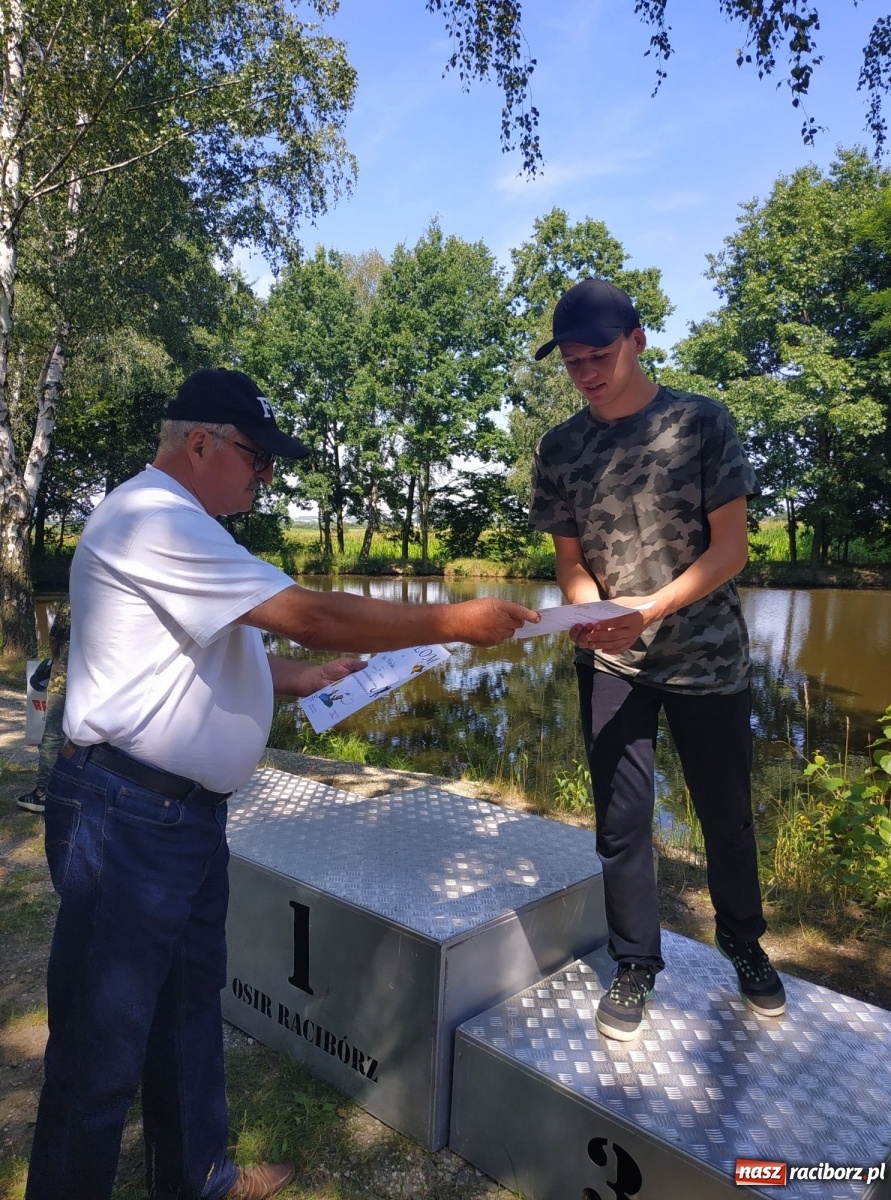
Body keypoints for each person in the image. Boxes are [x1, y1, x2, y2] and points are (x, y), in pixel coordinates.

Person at [26, 367, 538, 1200]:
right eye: (258, 459)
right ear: (201, 443)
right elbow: (311, 611)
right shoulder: (153, 518)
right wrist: (455, 621)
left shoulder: (189, 527)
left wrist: (305, 678)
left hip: (180, 820)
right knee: (99, 1049)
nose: (268, 478)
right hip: (125, 820)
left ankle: (199, 1180)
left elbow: (204, 649)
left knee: (190, 1012)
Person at [528, 279, 784, 1043]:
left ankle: (742, 939)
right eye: (572, 363)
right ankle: (636, 961)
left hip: (707, 660)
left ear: (638, 340)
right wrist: (585, 607)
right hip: (612, 664)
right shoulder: (559, 447)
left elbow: (731, 549)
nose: (586, 373)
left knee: (726, 819)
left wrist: (647, 610)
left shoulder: (701, 422)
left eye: (598, 356)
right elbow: (569, 561)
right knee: (622, 822)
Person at [17, 597, 71, 815]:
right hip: (96, 678)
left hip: (65, 678)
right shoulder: (106, 594)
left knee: (52, 736)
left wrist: (55, 659)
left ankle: (43, 793)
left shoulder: (72, 599)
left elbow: (55, 637)